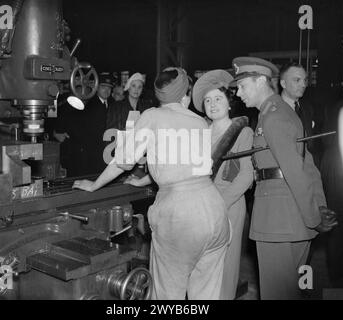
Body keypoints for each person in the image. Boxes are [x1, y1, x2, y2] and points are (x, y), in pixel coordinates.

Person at [73, 67, 230, 300]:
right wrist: (145, 180)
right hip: (214, 210)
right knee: (205, 295)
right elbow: (188, 167)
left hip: (180, 217)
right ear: (183, 90)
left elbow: (123, 161)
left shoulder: (153, 116)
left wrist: (95, 185)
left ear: (158, 93)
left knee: (168, 295)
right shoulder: (198, 120)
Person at [232, 56, 337, 300]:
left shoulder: (273, 116)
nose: (238, 93)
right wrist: (318, 207)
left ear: (260, 81)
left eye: (242, 86)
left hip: (278, 222)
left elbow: (294, 169)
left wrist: (314, 217)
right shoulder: (282, 112)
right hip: (290, 220)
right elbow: (308, 164)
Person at [192, 70, 254, 299]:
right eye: (207, 100)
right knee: (200, 268)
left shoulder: (242, 132)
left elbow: (247, 176)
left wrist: (218, 204)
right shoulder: (199, 133)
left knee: (225, 268)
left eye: (218, 98)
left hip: (228, 205)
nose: (212, 104)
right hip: (199, 207)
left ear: (229, 103)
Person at [53, 73, 113, 176]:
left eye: (109, 88)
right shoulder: (87, 102)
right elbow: (71, 120)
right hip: (86, 153)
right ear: (96, 87)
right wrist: (56, 133)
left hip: (105, 151)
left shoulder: (113, 104)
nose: (106, 90)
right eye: (103, 87)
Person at [321, 69, 343, 287]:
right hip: (337, 181)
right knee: (337, 227)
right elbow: (326, 145)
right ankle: (337, 277)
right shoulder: (335, 109)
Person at [279, 62, 322, 167]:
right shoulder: (273, 109)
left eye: (305, 80)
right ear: (283, 84)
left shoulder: (309, 108)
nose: (303, 85)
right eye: (297, 80)